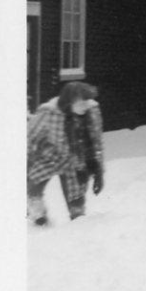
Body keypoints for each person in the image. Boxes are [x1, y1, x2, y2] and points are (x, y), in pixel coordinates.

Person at [27, 81, 105, 225]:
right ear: (69, 102)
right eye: (81, 102)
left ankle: (77, 222)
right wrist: (27, 161)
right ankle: (38, 216)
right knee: (33, 184)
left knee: (77, 196)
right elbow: (31, 136)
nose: (86, 106)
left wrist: (99, 170)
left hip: (76, 160)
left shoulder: (92, 112)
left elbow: (96, 142)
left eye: (87, 101)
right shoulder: (49, 113)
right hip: (50, 154)